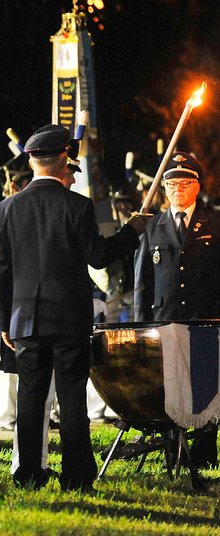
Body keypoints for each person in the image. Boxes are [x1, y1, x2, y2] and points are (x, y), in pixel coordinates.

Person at [0, 124, 146, 491]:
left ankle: (28, 474)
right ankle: (76, 477)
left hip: (24, 320)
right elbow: (98, 256)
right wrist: (132, 231)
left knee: (30, 399)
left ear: (32, 163)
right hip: (69, 319)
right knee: (72, 399)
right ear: (64, 161)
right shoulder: (77, 205)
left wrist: (4, 323)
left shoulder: (4, 210)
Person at [133, 151, 219, 468]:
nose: (177, 188)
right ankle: (176, 451)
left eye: (184, 182)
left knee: (206, 389)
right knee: (172, 389)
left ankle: (206, 454)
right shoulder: (152, 227)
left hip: (206, 320)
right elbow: (142, 283)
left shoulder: (214, 223)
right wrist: (140, 328)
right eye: (171, 183)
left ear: (196, 186)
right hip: (165, 321)